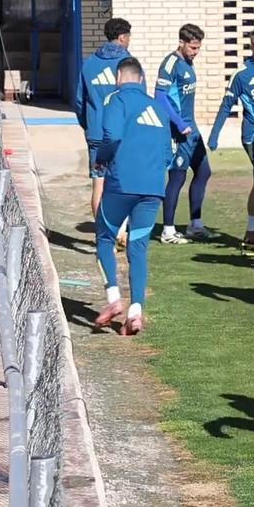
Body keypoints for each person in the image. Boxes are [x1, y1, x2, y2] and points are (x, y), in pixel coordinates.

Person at [92, 57, 171, 336]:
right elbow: (167, 154)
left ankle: (114, 299)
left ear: (118, 78)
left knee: (104, 236)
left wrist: (100, 159)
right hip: (153, 189)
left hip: (122, 184)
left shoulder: (116, 100)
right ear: (140, 78)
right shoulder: (157, 108)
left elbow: (111, 136)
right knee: (138, 248)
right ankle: (136, 312)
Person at [207, 28, 254, 249]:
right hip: (253, 137)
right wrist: (214, 135)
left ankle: (251, 231)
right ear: (252, 48)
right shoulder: (241, 74)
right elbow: (226, 105)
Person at [156, 24, 214, 244]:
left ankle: (195, 225)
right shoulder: (171, 63)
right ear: (181, 42)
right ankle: (168, 231)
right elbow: (160, 96)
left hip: (193, 130)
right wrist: (179, 124)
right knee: (177, 176)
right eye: (193, 47)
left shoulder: (189, 63)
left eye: (198, 48)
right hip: (179, 131)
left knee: (204, 171)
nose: (196, 52)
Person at [74, 17, 130, 220]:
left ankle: (103, 236)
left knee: (99, 182)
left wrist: (88, 125)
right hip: (122, 135)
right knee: (123, 183)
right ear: (123, 37)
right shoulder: (128, 64)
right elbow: (136, 100)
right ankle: (121, 230)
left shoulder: (89, 64)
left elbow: (79, 100)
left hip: (96, 134)